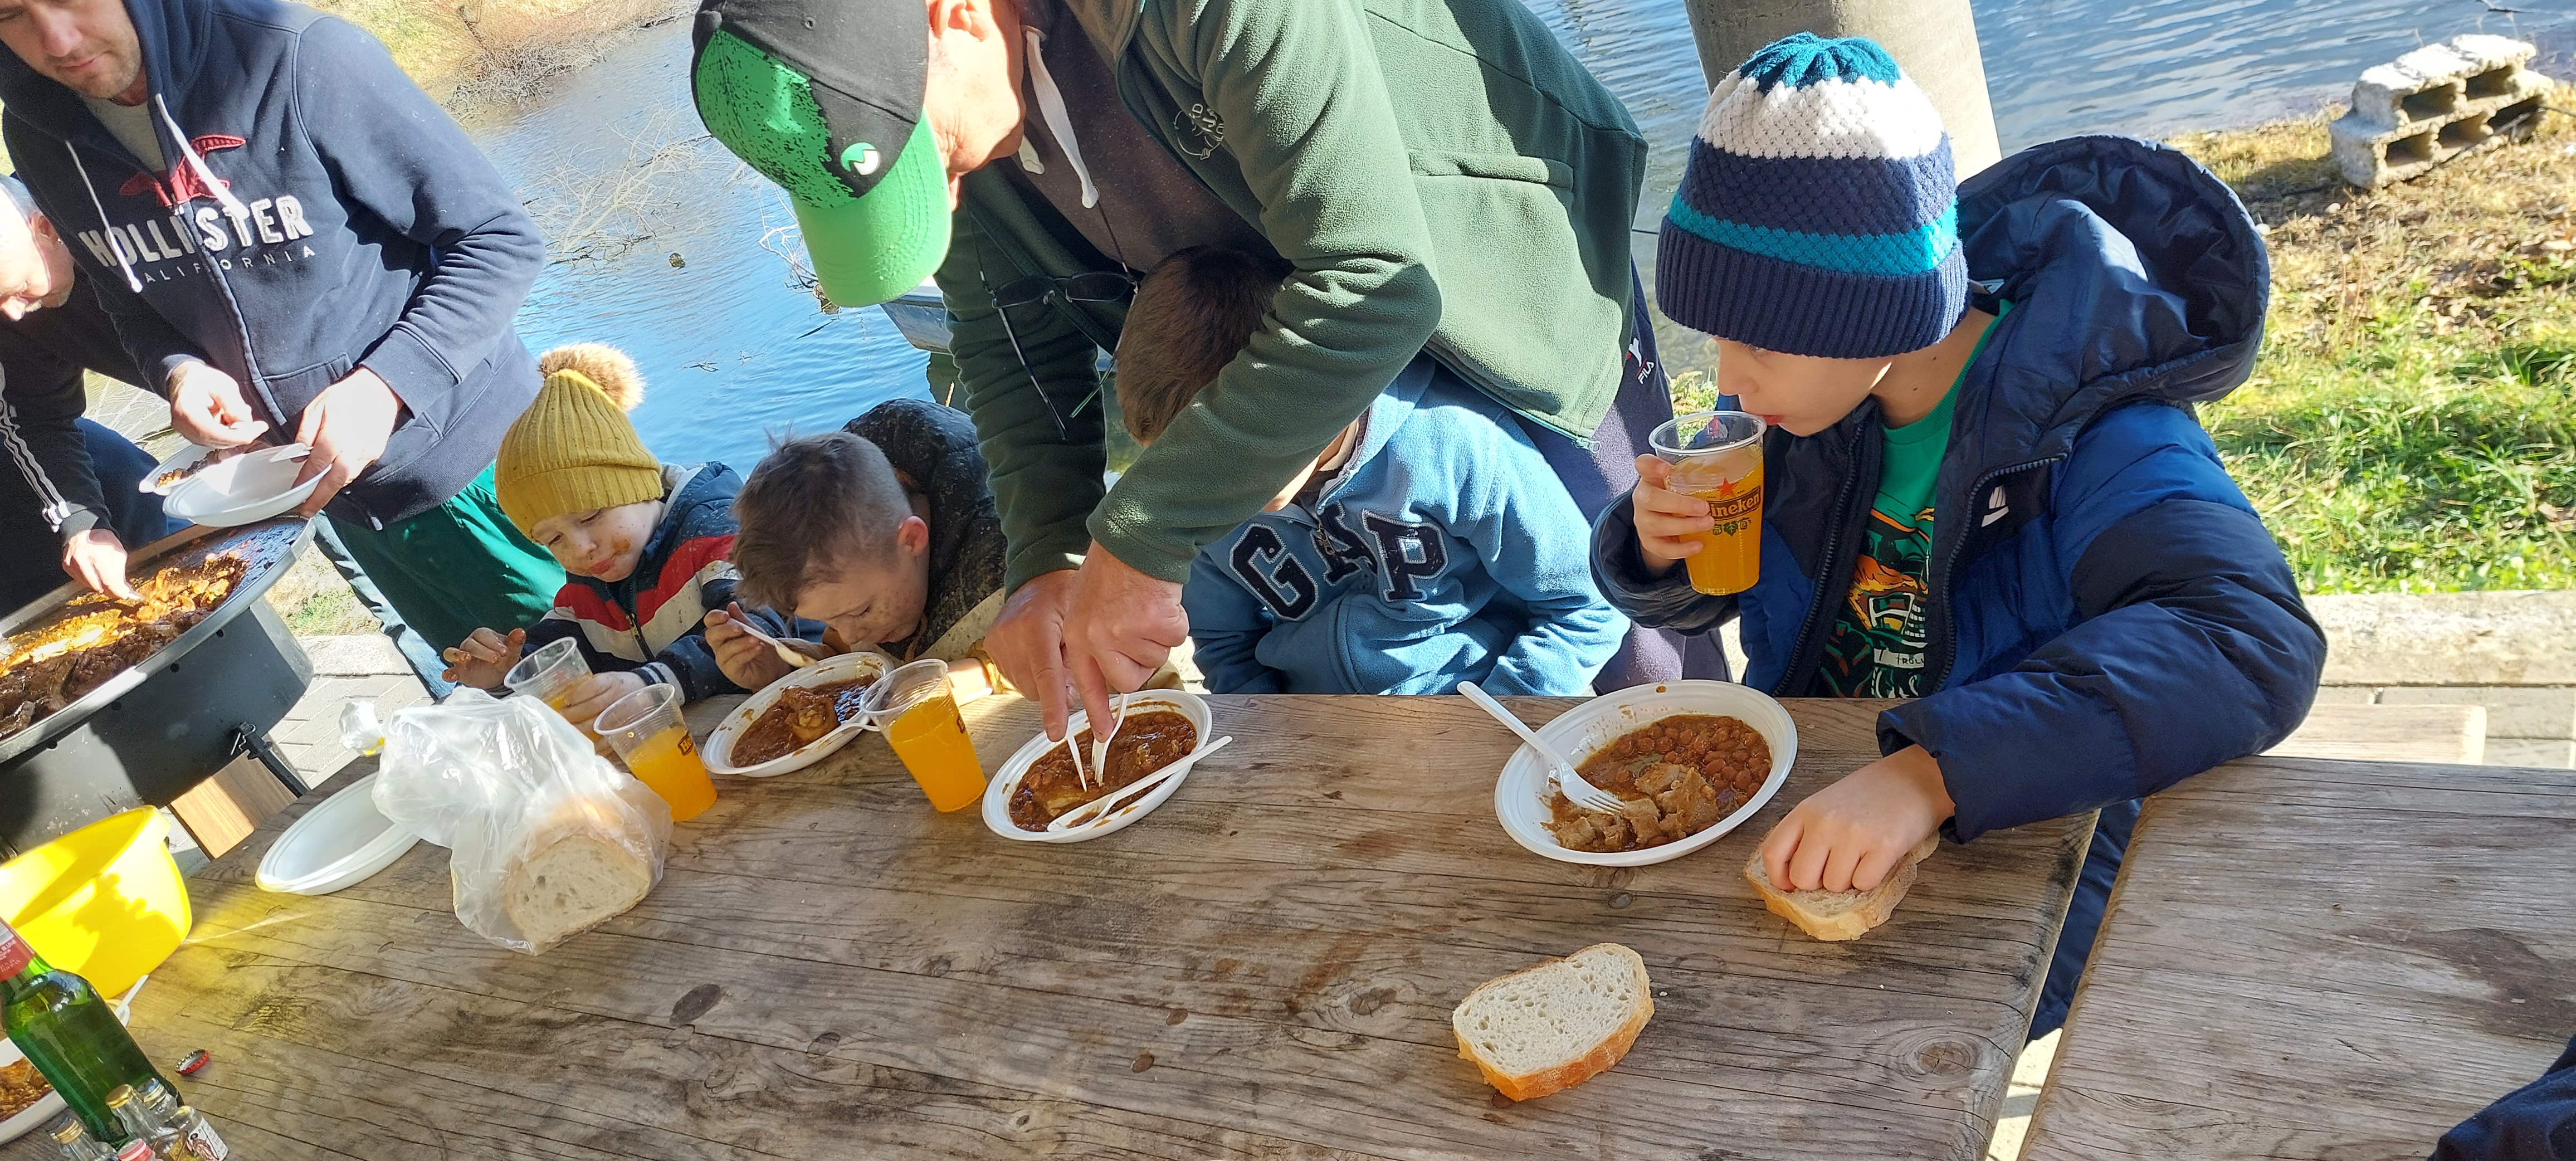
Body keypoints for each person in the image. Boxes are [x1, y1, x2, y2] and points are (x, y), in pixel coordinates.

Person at [689, 0, 1723, 743]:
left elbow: (1376, 283)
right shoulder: (931, 97)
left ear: (951, 16)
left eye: (942, 168)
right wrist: (1045, 557)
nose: (948, 205)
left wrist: (1140, 535)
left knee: (1632, 623)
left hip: (1496, 272)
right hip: (1257, 332)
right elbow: (1006, 343)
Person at [1589, 36, 2326, 1037]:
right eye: (1713, 339)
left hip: (2023, 820)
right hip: (1802, 783)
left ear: (1879, 312)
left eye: (1755, 340)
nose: (1728, 381)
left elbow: (2246, 640)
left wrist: (1929, 772)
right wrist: (1656, 550)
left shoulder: (2094, 430)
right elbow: (1731, 589)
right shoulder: (1805, 415)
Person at [0, 0, 563, 657]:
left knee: (631, 683)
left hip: (500, 474)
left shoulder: (296, 54)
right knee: (509, 712)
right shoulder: (40, 135)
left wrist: (386, 387)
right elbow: (129, 302)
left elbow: (499, 240)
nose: (58, 41)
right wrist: (179, 370)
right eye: (10, 15)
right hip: (342, 503)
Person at [1115, 246, 1626, 695]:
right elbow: (1227, 648)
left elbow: (1586, 605)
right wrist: (1267, 735)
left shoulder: (1452, 445)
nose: (1204, 498)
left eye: (1221, 468)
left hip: (1474, 707)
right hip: (1307, 732)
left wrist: (1494, 724)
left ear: (1302, 394)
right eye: (1177, 471)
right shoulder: (1194, 503)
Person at [442, 346, 801, 723]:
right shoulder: (587, 584)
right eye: (554, 540)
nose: (581, 549)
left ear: (637, 485)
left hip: (804, 703)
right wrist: (505, 672)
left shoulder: (711, 530)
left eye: (592, 515)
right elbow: (557, 650)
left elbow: (755, 630)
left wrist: (650, 684)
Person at [713, 398, 1011, 696]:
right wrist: (779, 669)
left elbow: (1055, 643)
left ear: (911, 540)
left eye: (861, 612)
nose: (849, 633)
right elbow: (849, 654)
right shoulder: (857, 586)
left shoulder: (1005, 541)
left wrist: (968, 679)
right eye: (828, 621)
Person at [0, 173, 177, 611]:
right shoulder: (15, 307)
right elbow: (37, 416)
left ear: (48, 229)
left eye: (17, 290)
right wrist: (82, 524)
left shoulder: (124, 211)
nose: (13, 315)